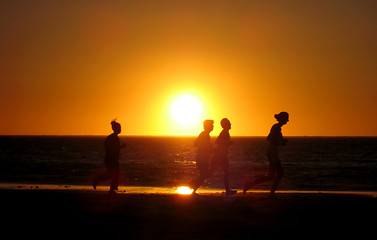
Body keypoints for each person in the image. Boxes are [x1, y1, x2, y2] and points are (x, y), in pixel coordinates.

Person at [243, 112, 289, 195]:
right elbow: (271, 139)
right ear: (282, 119)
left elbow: (270, 138)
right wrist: (281, 142)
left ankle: (250, 184)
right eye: (286, 118)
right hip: (272, 153)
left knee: (272, 175)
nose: (287, 120)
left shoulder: (276, 127)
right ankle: (270, 192)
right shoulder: (277, 128)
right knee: (279, 173)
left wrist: (281, 142)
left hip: (272, 152)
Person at [93, 120, 126, 194]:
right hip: (111, 159)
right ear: (115, 129)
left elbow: (113, 147)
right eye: (119, 128)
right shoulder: (112, 137)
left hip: (112, 159)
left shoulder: (114, 137)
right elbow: (108, 145)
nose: (120, 129)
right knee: (114, 174)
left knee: (112, 174)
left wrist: (120, 147)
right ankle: (111, 188)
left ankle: (111, 187)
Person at [210, 118, 237, 196]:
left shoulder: (225, 132)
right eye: (229, 123)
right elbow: (219, 143)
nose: (230, 124)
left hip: (219, 155)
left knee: (214, 172)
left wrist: (227, 144)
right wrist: (228, 144)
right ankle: (227, 191)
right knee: (225, 172)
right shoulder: (224, 132)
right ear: (225, 125)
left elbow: (218, 142)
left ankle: (227, 190)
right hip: (220, 156)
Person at [189, 119, 214, 194]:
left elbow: (197, 144)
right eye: (211, 125)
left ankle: (193, 187)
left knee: (205, 175)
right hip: (202, 158)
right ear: (207, 126)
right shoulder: (204, 134)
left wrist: (209, 147)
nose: (213, 127)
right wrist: (208, 147)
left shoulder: (205, 134)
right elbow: (197, 144)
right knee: (206, 174)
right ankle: (191, 185)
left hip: (204, 158)